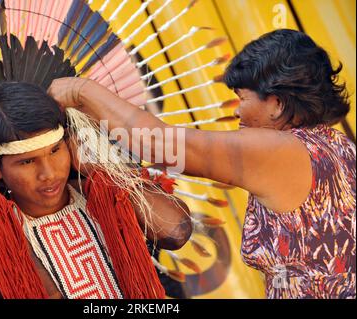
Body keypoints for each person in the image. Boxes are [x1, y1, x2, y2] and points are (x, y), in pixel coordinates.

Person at [48, 29, 356, 299]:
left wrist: (81, 90)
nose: (237, 112)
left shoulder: (282, 152)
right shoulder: (338, 147)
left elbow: (160, 145)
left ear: (276, 104)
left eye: (242, 99)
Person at [0, 82, 191, 299]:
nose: (49, 173)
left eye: (55, 150)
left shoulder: (100, 193)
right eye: (27, 161)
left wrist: (99, 167)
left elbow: (175, 231)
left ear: (70, 143)